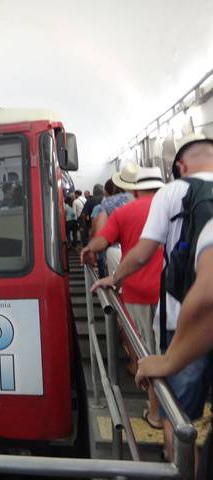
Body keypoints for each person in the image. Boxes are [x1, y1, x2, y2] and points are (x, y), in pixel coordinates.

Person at [92, 133, 213, 462]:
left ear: (180, 166)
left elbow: (143, 252)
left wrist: (113, 277)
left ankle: (173, 460)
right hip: (187, 309)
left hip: (183, 319)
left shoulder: (174, 192)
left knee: (179, 416)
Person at [81, 165, 165, 429]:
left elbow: (101, 242)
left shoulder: (124, 212)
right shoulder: (178, 209)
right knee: (170, 352)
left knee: (149, 353)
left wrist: (87, 251)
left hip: (138, 293)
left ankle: (156, 414)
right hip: (174, 294)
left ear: (134, 189)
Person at [136, 218, 213, 479]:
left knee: (177, 414)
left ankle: (178, 463)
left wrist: (169, 362)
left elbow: (206, 302)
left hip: (171, 315)